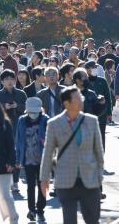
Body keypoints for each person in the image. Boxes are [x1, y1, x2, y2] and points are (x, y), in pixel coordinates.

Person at [40, 86, 104, 224]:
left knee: (92, 219)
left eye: (81, 97)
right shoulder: (54, 123)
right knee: (69, 220)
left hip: (89, 180)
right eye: (77, 98)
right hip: (65, 180)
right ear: (66, 103)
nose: (81, 100)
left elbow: (99, 152)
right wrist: (44, 178)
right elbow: (48, 153)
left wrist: (99, 176)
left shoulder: (91, 121)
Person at [0, 69, 27, 193]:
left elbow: (27, 107)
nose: (9, 81)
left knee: (16, 155)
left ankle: (15, 182)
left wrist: (17, 106)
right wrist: (3, 107)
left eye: (12, 79)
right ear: (2, 81)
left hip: (18, 127)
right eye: (6, 79)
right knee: (3, 154)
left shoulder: (21, 94)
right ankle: (4, 181)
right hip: (2, 128)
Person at [16, 97, 49, 222]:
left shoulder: (46, 120)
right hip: (28, 159)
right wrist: (18, 159)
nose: (33, 114)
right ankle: (31, 210)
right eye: (30, 112)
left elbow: (52, 139)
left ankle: (40, 210)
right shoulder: (22, 121)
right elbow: (18, 140)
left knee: (43, 185)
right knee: (30, 186)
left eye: (35, 112)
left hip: (43, 159)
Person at [85, 61, 112, 151]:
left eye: (95, 67)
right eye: (93, 67)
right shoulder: (84, 82)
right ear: (87, 70)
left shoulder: (102, 80)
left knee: (101, 136)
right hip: (88, 114)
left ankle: (101, 158)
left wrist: (109, 113)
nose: (95, 69)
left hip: (101, 114)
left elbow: (108, 97)